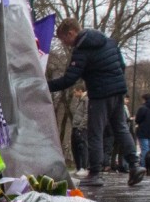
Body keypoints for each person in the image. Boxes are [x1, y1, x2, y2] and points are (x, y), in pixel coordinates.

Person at [48, 19, 145, 187]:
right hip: (118, 91)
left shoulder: (82, 49)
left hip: (100, 94)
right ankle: (134, 165)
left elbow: (70, 78)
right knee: (121, 128)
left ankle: (95, 173)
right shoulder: (109, 42)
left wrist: (45, 86)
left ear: (71, 33)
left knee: (95, 132)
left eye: (64, 40)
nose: (66, 44)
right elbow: (121, 66)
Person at [70, 83, 89, 176]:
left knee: (82, 147)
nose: (74, 94)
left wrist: (81, 127)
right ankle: (78, 166)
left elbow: (87, 114)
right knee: (75, 147)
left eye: (75, 92)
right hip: (75, 126)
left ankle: (84, 167)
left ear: (80, 91)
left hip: (81, 127)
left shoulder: (86, 100)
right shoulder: (80, 100)